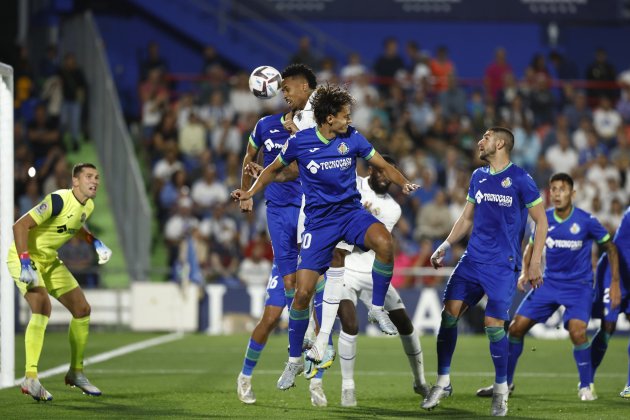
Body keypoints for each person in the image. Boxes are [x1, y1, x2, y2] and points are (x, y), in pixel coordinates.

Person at [231, 84, 420, 391]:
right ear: (329, 118)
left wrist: (405, 183)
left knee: (385, 243)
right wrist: (250, 191)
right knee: (302, 295)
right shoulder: (300, 142)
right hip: (319, 225)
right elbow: (271, 171)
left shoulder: (353, 137)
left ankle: (375, 309)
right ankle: (294, 360)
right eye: (345, 115)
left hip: (350, 214)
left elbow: (383, 165)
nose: (349, 120)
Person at [422, 127, 548, 417]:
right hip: (472, 260)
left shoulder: (521, 179)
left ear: (500, 143)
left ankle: (501, 388)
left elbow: (540, 222)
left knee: (493, 326)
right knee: (448, 315)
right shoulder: (478, 176)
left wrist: (534, 263)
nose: (480, 141)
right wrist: (446, 243)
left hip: (503, 264)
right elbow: (467, 217)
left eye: (486, 137)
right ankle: (443, 382)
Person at [475, 172, 619, 401]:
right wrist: (525, 271)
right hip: (549, 283)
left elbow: (610, 247)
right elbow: (530, 247)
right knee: (515, 328)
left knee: (577, 332)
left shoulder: (586, 220)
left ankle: (585, 386)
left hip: (578, 287)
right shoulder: (544, 219)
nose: (557, 193)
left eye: (562, 189)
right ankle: (506, 383)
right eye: (553, 189)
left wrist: (614, 282)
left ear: (573, 193)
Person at [236, 63, 331, 406]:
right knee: (274, 312)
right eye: (284, 90)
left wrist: (268, 172)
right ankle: (245, 377)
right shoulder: (264, 126)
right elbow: (249, 157)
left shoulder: (310, 129)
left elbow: (294, 170)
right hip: (278, 213)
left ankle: (316, 384)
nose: (286, 95)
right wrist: (246, 191)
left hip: (308, 210)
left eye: (289, 89)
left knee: (315, 305)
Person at [7, 163, 112, 401]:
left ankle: (76, 372)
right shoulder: (57, 200)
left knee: (82, 309)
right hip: (25, 256)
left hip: (49, 260)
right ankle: (30, 378)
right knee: (42, 306)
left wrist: (94, 242)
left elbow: (74, 225)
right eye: (88, 176)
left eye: (96, 176)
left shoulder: (89, 206)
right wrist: (24, 262)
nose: (94, 180)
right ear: (75, 181)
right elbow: (20, 226)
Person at [336, 155, 430, 407]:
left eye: (390, 175)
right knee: (349, 323)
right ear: (371, 170)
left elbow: (367, 239)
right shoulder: (354, 183)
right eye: (382, 173)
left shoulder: (393, 209)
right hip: (345, 269)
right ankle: (348, 387)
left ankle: (420, 380)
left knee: (404, 323)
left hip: (373, 271)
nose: (386, 178)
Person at [590, 205, 629, 398]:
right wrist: (615, 283)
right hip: (616, 273)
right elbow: (616, 250)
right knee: (609, 325)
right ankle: (587, 380)